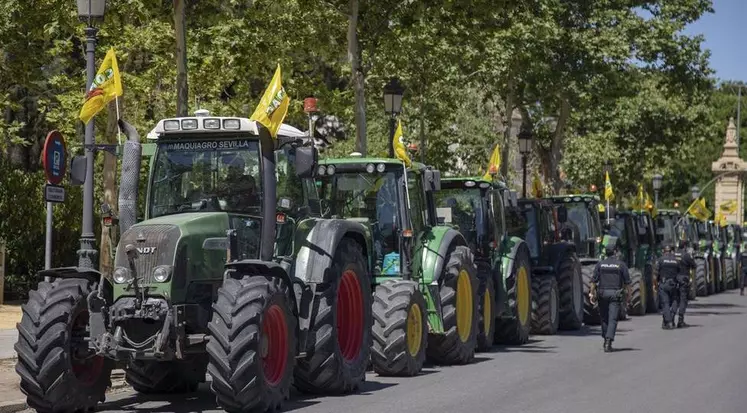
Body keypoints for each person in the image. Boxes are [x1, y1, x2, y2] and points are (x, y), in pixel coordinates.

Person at [589, 237, 632, 352]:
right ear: (615, 252)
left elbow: (593, 281)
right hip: (615, 294)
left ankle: (605, 338)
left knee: (604, 318)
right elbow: (627, 283)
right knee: (612, 318)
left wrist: (591, 293)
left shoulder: (600, 264)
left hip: (602, 293)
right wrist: (629, 296)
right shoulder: (621, 265)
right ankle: (608, 341)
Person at [655, 244, 681, 330]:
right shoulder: (676, 261)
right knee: (674, 301)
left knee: (665, 303)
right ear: (671, 251)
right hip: (673, 283)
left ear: (664, 251)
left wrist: (656, 283)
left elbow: (656, 273)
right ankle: (671, 318)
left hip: (664, 283)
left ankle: (668, 321)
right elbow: (679, 273)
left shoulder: (661, 260)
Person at [671, 240, 696, 328]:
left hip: (674, 279)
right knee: (683, 300)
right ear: (685, 246)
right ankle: (680, 321)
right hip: (683, 279)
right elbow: (694, 266)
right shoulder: (686, 255)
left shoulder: (673, 255)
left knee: (675, 299)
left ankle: (671, 319)